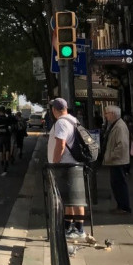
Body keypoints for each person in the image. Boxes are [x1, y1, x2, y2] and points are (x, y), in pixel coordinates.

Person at [49, 98, 88, 239]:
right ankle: (70, 226)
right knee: (73, 198)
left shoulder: (61, 122)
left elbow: (60, 144)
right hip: (75, 163)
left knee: (73, 198)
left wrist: (55, 162)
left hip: (66, 164)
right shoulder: (73, 120)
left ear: (54, 110)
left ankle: (78, 229)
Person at [102, 105, 131, 214]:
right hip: (116, 160)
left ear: (113, 114)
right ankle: (120, 206)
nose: (106, 116)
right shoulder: (116, 125)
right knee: (116, 184)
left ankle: (124, 207)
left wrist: (111, 156)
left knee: (119, 184)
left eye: (107, 113)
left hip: (118, 161)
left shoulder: (119, 126)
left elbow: (122, 145)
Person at [0, 106, 15, 174]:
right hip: (7, 136)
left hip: (0, 136)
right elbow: (11, 127)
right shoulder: (7, 119)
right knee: (7, 149)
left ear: (0, 111)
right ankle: (7, 161)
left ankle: (1, 160)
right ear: (4, 111)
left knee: (0, 149)